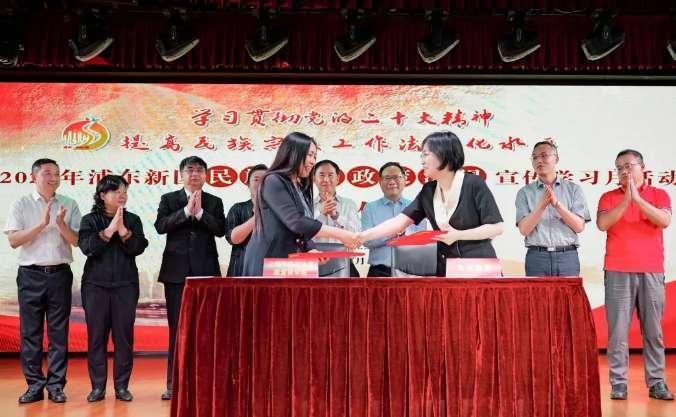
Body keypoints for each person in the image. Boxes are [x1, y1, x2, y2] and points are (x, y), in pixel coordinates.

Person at [358, 131, 503, 276]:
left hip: (479, 267)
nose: (422, 161)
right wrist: (361, 237)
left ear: (443, 154)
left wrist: (458, 235)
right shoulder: (428, 190)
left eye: (426, 155)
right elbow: (399, 222)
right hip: (447, 268)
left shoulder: (473, 183)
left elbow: (496, 227)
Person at [597, 149, 673, 401]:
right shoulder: (608, 197)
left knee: (653, 331)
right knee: (618, 332)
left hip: (651, 270)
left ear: (642, 167)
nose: (624, 171)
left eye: (629, 166)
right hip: (617, 270)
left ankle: (657, 382)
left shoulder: (659, 194)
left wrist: (637, 199)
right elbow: (603, 224)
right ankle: (619, 383)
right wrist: (626, 200)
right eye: (619, 167)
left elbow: (664, 220)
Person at [4, 158, 81, 404]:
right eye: (48, 173)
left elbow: (77, 241)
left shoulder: (69, 203)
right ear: (34, 176)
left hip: (60, 274)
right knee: (31, 333)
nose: (54, 178)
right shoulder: (21, 203)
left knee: (59, 333)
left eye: (57, 173)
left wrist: (60, 225)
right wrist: (42, 224)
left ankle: (56, 386)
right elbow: (14, 240)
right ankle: (34, 386)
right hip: (31, 275)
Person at [154, 156, 226, 400]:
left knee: (206, 329)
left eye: (199, 170)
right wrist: (186, 212)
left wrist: (201, 213)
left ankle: (204, 383)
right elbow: (160, 226)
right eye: (190, 170)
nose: (194, 174)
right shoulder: (169, 199)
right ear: (181, 175)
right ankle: (173, 384)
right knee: (177, 329)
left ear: (206, 175)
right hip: (176, 274)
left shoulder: (214, 201)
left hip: (206, 273)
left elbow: (221, 230)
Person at [242, 132, 360, 276]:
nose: (312, 161)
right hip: (270, 260)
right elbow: (295, 222)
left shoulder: (300, 186)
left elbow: (300, 227)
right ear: (293, 153)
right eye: (310, 155)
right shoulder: (273, 180)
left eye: (314, 156)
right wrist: (341, 234)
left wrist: (310, 248)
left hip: (290, 263)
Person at [78, 175, 148, 402]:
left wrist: (123, 230)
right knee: (96, 338)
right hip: (95, 286)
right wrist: (109, 230)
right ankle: (97, 387)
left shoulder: (133, 219)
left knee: (124, 338)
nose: (122, 195)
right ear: (102, 195)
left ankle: (122, 387)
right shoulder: (90, 220)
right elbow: (87, 247)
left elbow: (138, 247)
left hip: (125, 286)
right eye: (116, 191)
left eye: (124, 191)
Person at [515, 141, 590, 276]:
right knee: (536, 291)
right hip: (537, 257)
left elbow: (579, 226)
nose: (539, 160)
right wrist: (541, 206)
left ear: (556, 159)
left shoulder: (574, 189)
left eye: (544, 156)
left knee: (568, 291)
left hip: (567, 256)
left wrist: (557, 205)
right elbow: (524, 230)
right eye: (535, 157)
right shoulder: (524, 192)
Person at [361, 162, 427, 277]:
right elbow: (366, 241)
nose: (392, 182)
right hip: (379, 271)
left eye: (396, 177)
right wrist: (392, 234)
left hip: (409, 271)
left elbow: (421, 239)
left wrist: (404, 235)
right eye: (387, 178)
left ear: (404, 180)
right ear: (380, 182)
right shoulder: (370, 208)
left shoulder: (416, 207)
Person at [312, 159, 361, 277]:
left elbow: (357, 237)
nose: (326, 179)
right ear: (314, 179)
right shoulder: (307, 205)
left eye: (330, 175)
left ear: (338, 178)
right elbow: (301, 234)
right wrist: (320, 213)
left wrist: (337, 217)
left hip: (343, 263)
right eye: (321, 175)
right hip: (314, 263)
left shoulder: (349, 204)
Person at [225, 164, 267, 277]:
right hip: (240, 267)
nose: (260, 183)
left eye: (265, 180)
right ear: (248, 184)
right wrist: (257, 216)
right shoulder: (238, 208)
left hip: (269, 269)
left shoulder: (279, 210)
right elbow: (233, 238)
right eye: (256, 179)